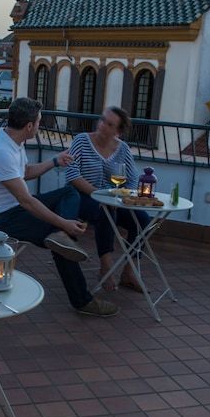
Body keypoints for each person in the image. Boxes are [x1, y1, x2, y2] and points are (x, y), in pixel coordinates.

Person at [0, 97, 118, 317]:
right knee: (58, 238)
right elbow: (26, 201)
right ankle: (82, 300)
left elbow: (25, 172)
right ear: (30, 126)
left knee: (69, 192)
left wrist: (55, 162)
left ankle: (60, 237)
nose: (39, 126)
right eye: (39, 122)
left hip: (13, 210)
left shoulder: (13, 142)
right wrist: (64, 224)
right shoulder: (1, 151)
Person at [65, 106, 151, 291]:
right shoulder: (82, 141)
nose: (103, 125)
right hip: (81, 197)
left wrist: (122, 197)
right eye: (103, 120)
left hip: (113, 200)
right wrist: (99, 195)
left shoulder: (123, 149)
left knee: (142, 219)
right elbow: (72, 174)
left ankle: (129, 271)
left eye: (109, 124)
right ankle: (105, 267)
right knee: (104, 212)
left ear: (118, 131)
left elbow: (132, 178)